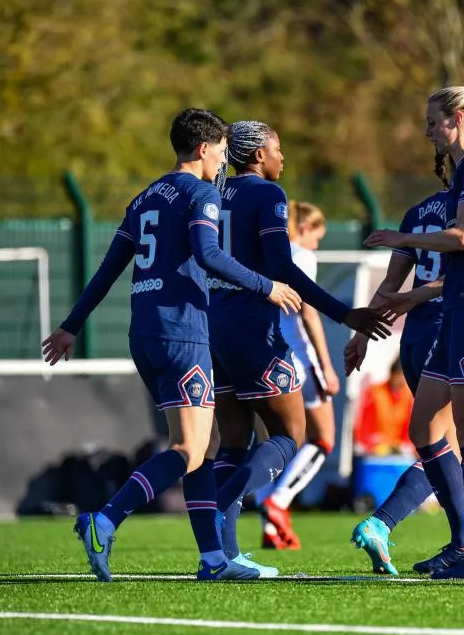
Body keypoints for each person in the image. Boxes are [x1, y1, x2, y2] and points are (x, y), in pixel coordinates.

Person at [43, 108, 303, 581]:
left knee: (200, 449)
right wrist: (267, 286)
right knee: (188, 448)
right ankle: (105, 519)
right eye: (223, 151)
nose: (225, 162)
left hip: (144, 332)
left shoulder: (144, 198)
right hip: (183, 331)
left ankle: (213, 560)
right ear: (204, 149)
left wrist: (71, 326)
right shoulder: (201, 193)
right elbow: (209, 254)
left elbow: (107, 270)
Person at [208, 120, 392, 577]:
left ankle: (221, 555)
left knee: (232, 442)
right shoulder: (268, 195)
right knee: (293, 434)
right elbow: (280, 268)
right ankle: (227, 499)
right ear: (257, 156)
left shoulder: (213, 191)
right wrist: (347, 314)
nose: (282, 157)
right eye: (277, 149)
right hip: (254, 327)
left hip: (211, 325)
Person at [363, 84, 464, 580]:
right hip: (458, 310)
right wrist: (412, 297)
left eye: (434, 121)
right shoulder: (462, 181)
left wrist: (402, 237)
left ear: (457, 118)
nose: (428, 130)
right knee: (425, 428)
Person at [254, 201, 342, 550]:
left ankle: (270, 526)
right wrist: (327, 364)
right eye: (316, 237)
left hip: (264, 354)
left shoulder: (263, 251)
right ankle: (280, 501)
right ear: (304, 229)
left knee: (273, 441)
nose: (316, 245)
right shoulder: (301, 255)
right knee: (322, 439)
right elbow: (309, 314)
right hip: (300, 359)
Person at [353, 358, 415, 456]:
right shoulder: (375, 392)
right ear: (392, 375)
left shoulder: (407, 397)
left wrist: (405, 446)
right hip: (374, 449)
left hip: (398, 451)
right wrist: (369, 443)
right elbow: (364, 423)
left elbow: (408, 426)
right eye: (399, 376)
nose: (401, 382)